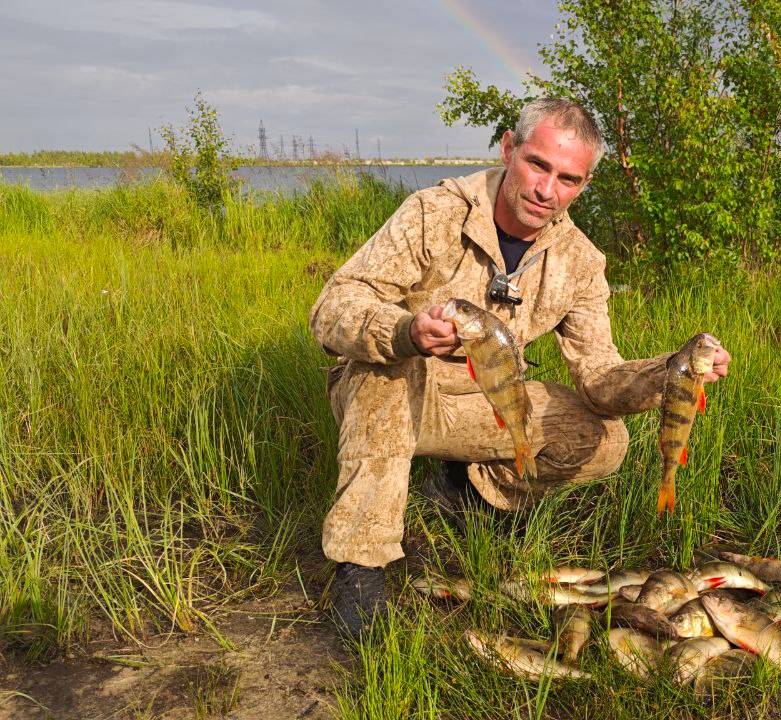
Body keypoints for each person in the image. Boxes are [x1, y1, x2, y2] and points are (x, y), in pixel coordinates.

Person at [308, 98, 731, 637]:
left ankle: (470, 493)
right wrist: (405, 333)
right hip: (391, 390)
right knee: (389, 370)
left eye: (568, 178)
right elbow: (334, 305)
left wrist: (671, 370)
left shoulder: (580, 260)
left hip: (487, 398)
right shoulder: (433, 214)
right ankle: (361, 565)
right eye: (537, 164)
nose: (546, 190)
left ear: (584, 183)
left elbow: (600, 377)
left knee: (604, 439)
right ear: (509, 148)